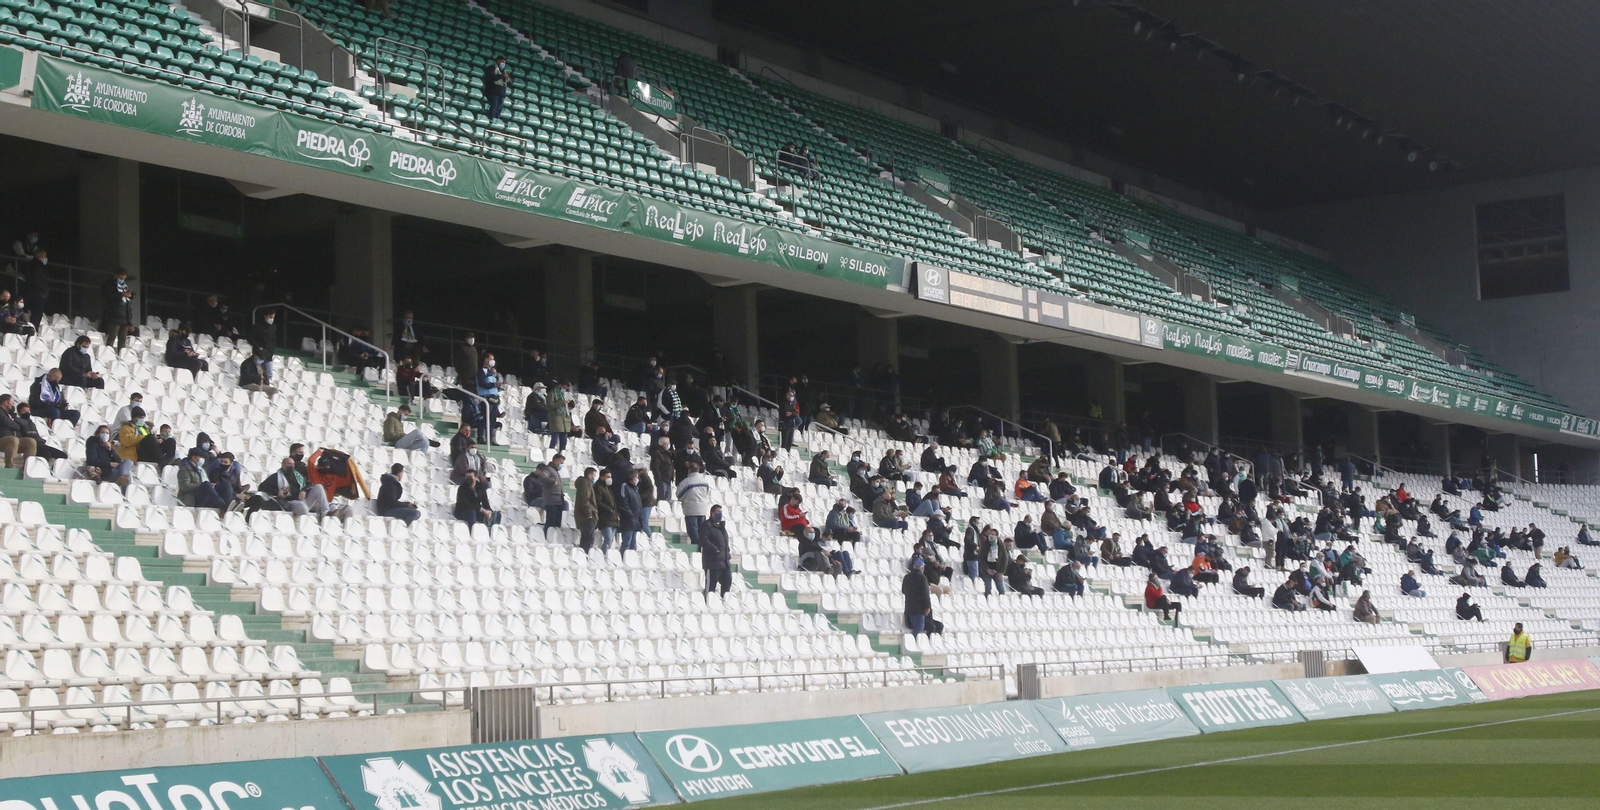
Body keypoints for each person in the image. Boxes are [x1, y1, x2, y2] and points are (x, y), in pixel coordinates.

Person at [86, 425, 133, 489]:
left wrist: (110, 450)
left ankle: (123, 476)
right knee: (128, 475)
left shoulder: (109, 446)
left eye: (107, 433)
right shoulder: (93, 443)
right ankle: (125, 494)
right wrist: (109, 464)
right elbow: (91, 461)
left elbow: (118, 461)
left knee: (128, 461)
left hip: (113, 469)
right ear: (97, 434)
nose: (105, 434)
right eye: (102, 432)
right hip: (103, 471)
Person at [100, 267, 136, 350]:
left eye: (124, 278)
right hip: (114, 315)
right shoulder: (108, 285)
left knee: (123, 339)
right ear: (116, 275)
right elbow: (107, 298)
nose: (122, 280)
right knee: (112, 336)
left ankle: (121, 355)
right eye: (120, 278)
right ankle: (108, 353)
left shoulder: (125, 285)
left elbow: (128, 304)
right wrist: (121, 295)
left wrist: (130, 296)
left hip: (125, 316)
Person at [676, 462, 712, 544]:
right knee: (702, 530)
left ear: (689, 470)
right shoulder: (704, 481)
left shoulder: (687, 482)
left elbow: (679, 494)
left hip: (691, 509)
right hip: (702, 508)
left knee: (693, 531)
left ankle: (696, 546)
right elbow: (707, 492)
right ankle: (702, 546)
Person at [701, 504, 732, 596]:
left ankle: (724, 603)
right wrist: (714, 549)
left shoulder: (722, 527)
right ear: (712, 513)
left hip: (725, 563)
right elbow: (703, 540)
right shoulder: (707, 525)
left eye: (721, 512)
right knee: (711, 588)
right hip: (712, 563)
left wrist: (727, 552)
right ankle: (708, 604)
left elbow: (724, 541)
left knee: (727, 585)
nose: (720, 514)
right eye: (718, 512)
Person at [902, 557, 934, 634]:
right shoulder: (922, 577)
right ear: (922, 567)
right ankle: (916, 643)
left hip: (909, 607)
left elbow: (903, 590)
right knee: (919, 628)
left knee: (916, 627)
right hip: (919, 608)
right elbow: (925, 594)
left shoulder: (907, 577)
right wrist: (927, 606)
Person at [979, 527, 1008, 596]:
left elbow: (1005, 559)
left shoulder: (1001, 545)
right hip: (988, 570)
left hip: (997, 570)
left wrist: (1001, 572)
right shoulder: (985, 544)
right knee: (988, 588)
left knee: (1000, 588)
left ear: (997, 536)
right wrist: (986, 569)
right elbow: (981, 558)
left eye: (993, 534)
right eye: (990, 534)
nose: (991, 536)